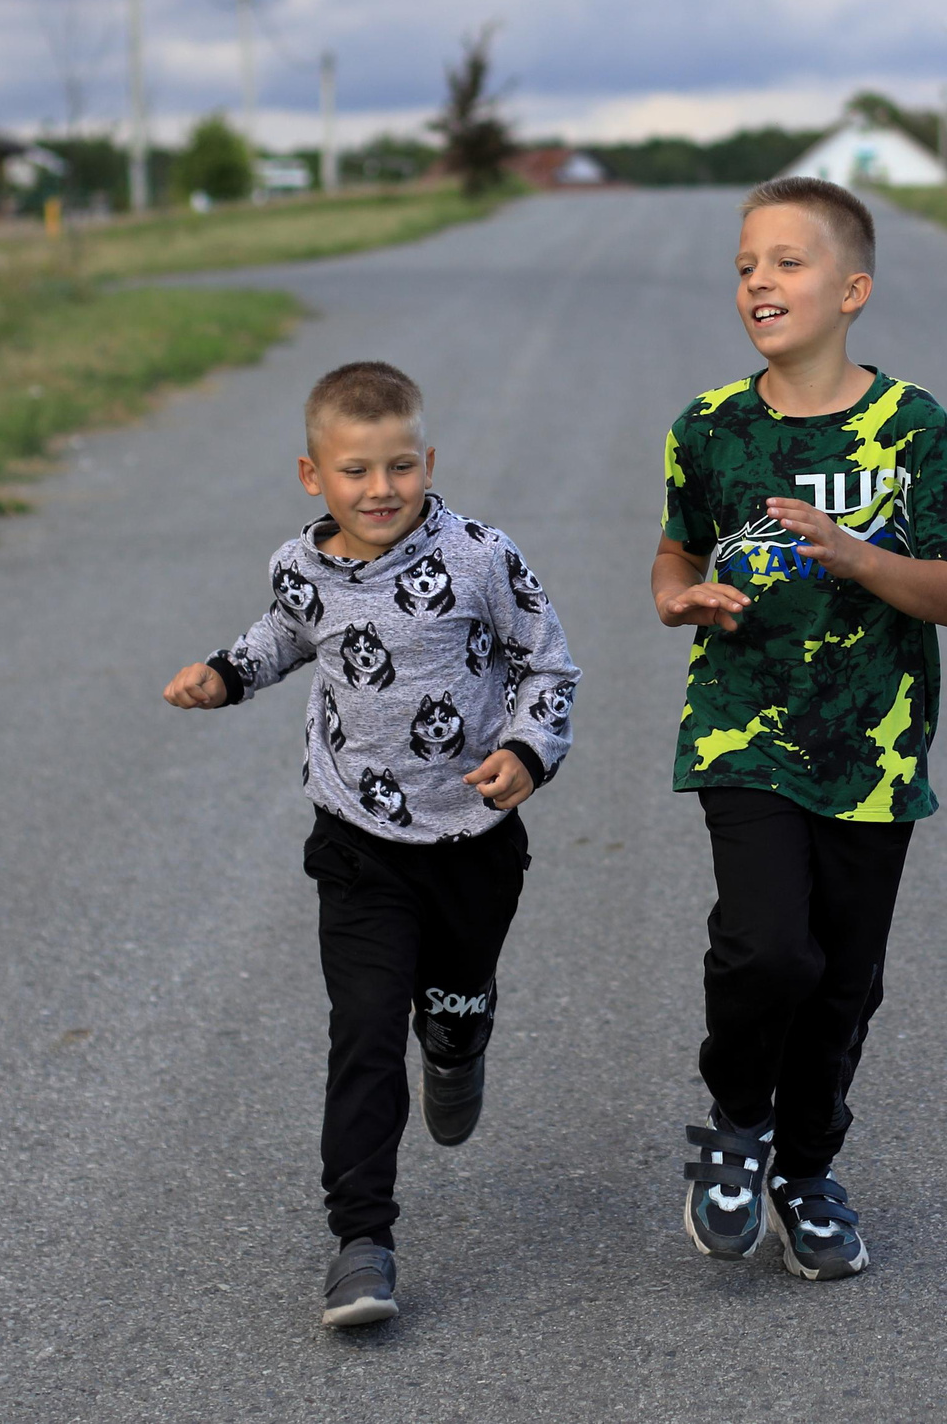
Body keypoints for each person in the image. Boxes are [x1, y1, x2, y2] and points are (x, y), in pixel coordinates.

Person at [164, 360, 579, 1329]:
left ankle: (458, 1031)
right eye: (355, 471)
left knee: (453, 997)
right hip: (359, 840)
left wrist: (525, 750)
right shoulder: (299, 568)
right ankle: (362, 1242)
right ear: (314, 477)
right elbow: (283, 633)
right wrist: (226, 676)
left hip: (474, 835)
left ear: (427, 461)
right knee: (360, 1032)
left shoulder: (480, 556)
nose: (380, 488)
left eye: (400, 467)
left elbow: (546, 660)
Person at [651, 177, 947, 1281]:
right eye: (746, 264)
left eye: (788, 263)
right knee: (767, 948)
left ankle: (807, 1168)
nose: (760, 279)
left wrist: (853, 553)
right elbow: (675, 552)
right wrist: (678, 596)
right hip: (740, 728)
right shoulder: (709, 428)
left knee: (843, 975)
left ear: (851, 290)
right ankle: (735, 1129)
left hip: (874, 746)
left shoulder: (916, 432)